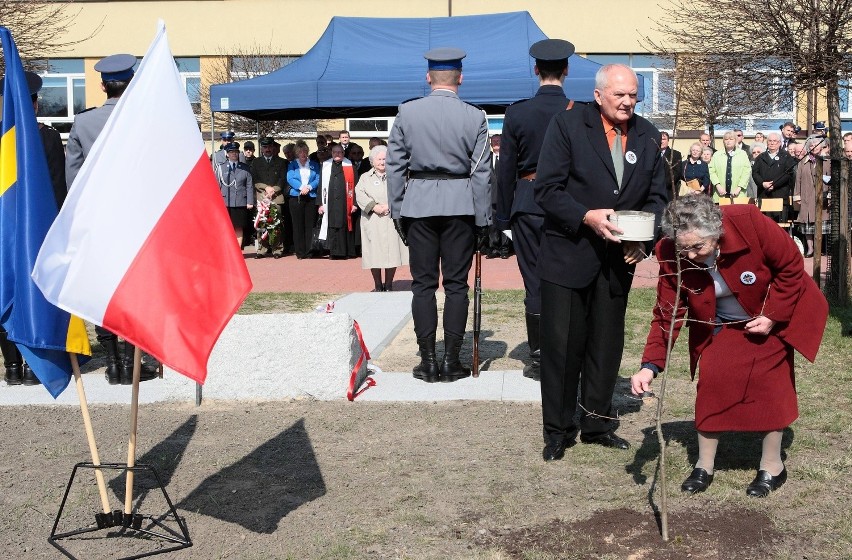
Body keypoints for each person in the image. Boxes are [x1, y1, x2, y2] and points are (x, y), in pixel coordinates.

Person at [631, 195, 828, 497]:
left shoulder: (749, 221)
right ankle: (704, 465)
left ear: (716, 231)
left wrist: (773, 316)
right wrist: (649, 366)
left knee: (771, 385)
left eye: (699, 246)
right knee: (712, 382)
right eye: (685, 247)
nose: (692, 255)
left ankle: (772, 465)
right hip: (720, 322)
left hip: (767, 313)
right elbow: (667, 314)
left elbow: (790, 266)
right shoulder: (670, 252)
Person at [534, 63, 667, 460]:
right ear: (598, 95)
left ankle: (596, 422)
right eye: (619, 95)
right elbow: (547, 189)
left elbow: (658, 199)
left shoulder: (646, 135)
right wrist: (585, 216)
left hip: (617, 261)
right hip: (568, 255)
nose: (628, 102)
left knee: (605, 346)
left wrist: (644, 241)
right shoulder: (567, 126)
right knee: (562, 348)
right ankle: (558, 430)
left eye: (633, 95)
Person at [386, 47, 491, 384]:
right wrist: (483, 219)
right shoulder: (475, 117)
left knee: (423, 285)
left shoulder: (407, 112)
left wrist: (399, 211)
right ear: (460, 77)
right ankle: (451, 362)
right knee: (457, 286)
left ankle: (428, 360)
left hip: (418, 205)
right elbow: (482, 173)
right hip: (460, 206)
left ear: (428, 77)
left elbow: (394, 167)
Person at [65, 53, 159, 385]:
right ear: (131, 83)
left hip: (99, 222)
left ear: (103, 85)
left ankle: (114, 363)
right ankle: (134, 362)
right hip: (137, 221)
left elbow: (73, 180)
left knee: (103, 290)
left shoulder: (83, 122)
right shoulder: (146, 119)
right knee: (135, 290)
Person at [495, 38, 574, 381]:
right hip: (569, 203)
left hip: (528, 202)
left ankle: (541, 356)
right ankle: (565, 351)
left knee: (535, 281)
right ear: (566, 70)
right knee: (568, 278)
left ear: (536, 69)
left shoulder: (518, 111)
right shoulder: (579, 109)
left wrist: (501, 216)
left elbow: (506, 167)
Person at [0, 71, 66, 387]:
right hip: (38, 229)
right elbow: (56, 188)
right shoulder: (47, 138)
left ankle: (12, 367)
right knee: (36, 291)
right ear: (35, 104)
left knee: (7, 290)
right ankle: (32, 366)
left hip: (4, 230)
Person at [356, 145, 409, 291]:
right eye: (379, 159)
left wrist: (390, 205)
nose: (382, 162)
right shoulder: (365, 177)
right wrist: (374, 206)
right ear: (372, 161)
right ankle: (378, 285)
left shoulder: (396, 176)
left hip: (391, 219)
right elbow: (359, 194)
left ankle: (389, 284)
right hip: (372, 220)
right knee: (374, 253)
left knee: (392, 252)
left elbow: (404, 192)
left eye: (384, 159)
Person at [317, 144, 357, 259]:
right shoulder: (325, 166)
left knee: (343, 224)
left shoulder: (350, 166)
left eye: (340, 152)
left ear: (343, 154)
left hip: (345, 201)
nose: (337, 154)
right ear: (332, 153)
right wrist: (320, 203)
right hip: (329, 201)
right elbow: (320, 186)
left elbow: (355, 186)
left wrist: (354, 203)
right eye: (335, 152)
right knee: (332, 224)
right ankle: (333, 252)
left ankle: (344, 252)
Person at [250, 137, 288, 257]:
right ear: (261, 148)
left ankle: (277, 249)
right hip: (262, 196)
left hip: (276, 197)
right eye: (265, 147)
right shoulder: (256, 162)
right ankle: (262, 249)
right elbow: (254, 179)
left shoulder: (281, 162)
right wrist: (265, 188)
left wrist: (273, 190)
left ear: (273, 148)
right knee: (261, 224)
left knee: (276, 223)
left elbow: (283, 179)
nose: (268, 149)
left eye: (270, 147)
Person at [793, 135, 830, 257]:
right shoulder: (803, 162)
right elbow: (797, 180)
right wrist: (797, 196)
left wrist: (829, 195)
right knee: (807, 224)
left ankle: (820, 248)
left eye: (816, 145)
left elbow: (831, 180)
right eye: (811, 145)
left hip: (821, 197)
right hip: (806, 197)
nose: (813, 147)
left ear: (821, 146)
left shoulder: (827, 161)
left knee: (821, 223)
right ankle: (810, 248)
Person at [286, 140, 321, 259]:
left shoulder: (314, 164)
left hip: (311, 197)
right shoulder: (292, 164)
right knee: (298, 225)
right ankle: (300, 252)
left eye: (305, 151)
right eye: (300, 151)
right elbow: (290, 178)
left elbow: (317, 178)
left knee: (310, 225)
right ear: (296, 152)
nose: (303, 154)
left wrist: (309, 187)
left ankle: (309, 251)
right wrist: (301, 187)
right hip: (297, 197)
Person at [216, 142, 254, 248]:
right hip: (225, 202)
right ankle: (227, 249)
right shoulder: (221, 168)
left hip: (240, 201)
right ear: (227, 154)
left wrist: (250, 201)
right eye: (231, 152)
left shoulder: (245, 168)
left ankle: (237, 249)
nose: (234, 154)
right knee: (226, 227)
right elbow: (217, 186)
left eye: (236, 152)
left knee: (238, 227)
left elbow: (249, 185)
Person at [752, 132, 794, 222]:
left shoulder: (786, 156)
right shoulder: (760, 157)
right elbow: (755, 173)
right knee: (764, 224)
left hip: (780, 195)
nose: (772, 143)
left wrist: (774, 184)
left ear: (779, 143)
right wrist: (762, 184)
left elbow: (788, 173)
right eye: (770, 141)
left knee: (780, 227)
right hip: (764, 195)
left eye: (774, 141)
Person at [708, 131, 750, 202]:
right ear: (723, 141)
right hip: (720, 194)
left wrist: (739, 188)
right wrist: (718, 186)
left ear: (735, 141)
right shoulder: (717, 155)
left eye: (731, 139)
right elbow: (711, 171)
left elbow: (746, 172)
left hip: (738, 194)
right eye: (726, 139)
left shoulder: (742, 154)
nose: (728, 141)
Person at [660, 131, 683, 200]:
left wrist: (663, 184)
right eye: (660, 139)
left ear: (668, 141)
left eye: (664, 139)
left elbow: (677, 173)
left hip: (669, 190)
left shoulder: (675, 154)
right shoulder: (652, 154)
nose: (661, 141)